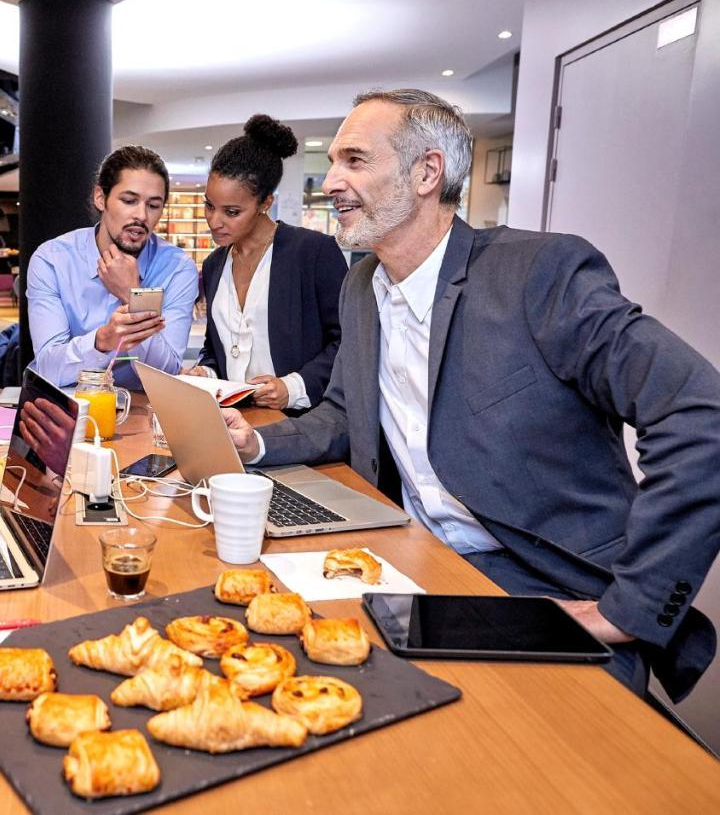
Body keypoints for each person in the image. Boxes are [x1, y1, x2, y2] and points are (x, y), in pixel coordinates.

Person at [221, 88, 720, 701]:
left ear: (427, 172)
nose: (332, 181)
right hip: (417, 563)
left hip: (544, 587)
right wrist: (252, 444)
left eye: (355, 160)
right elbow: (344, 415)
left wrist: (630, 607)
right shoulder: (362, 286)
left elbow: (702, 415)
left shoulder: (538, 274)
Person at [183, 115, 346, 412]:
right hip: (235, 420)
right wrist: (205, 373)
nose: (214, 221)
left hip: (302, 423)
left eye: (232, 212)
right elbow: (217, 348)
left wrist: (293, 386)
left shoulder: (314, 252)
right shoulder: (214, 264)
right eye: (209, 205)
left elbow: (348, 342)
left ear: (265, 203)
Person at [26, 146, 198, 389]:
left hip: (142, 408)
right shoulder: (52, 260)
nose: (141, 216)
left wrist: (133, 295)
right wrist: (102, 341)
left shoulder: (178, 268)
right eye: (129, 201)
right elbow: (49, 369)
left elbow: (168, 373)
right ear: (100, 198)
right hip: (68, 406)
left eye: (153, 205)